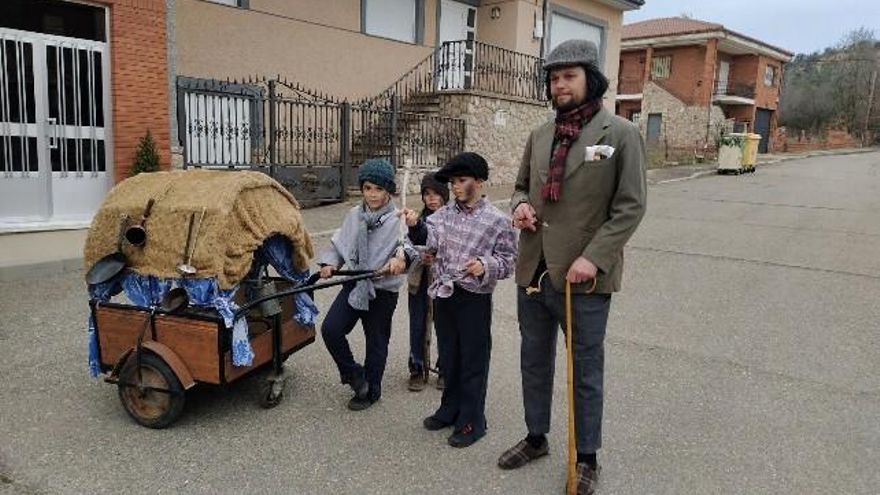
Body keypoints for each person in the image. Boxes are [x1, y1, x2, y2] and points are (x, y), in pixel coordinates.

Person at [496, 39, 647, 495]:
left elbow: (630, 207)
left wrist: (593, 257)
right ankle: (536, 437)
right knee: (534, 362)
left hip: (585, 279)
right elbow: (520, 187)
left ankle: (587, 458)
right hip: (534, 272)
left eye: (569, 76)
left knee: (585, 371)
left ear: (591, 79)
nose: (560, 84)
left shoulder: (619, 134)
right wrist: (520, 207)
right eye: (554, 77)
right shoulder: (540, 136)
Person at [402, 152, 517, 448]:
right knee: (450, 354)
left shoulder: (497, 221)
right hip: (444, 294)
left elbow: (508, 261)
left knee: (473, 359)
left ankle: (472, 419)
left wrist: (485, 264)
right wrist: (416, 225)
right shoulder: (442, 216)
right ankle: (449, 407)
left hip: (474, 298)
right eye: (452, 182)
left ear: (479, 182)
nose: (454, 187)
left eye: (461, 180)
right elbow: (429, 241)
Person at [318, 158, 412, 411]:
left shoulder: (399, 218)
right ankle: (354, 375)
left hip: (382, 289)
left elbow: (410, 248)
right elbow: (340, 243)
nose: (372, 194)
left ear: (388, 191)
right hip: (354, 282)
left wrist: (399, 260)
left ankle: (371, 390)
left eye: (379, 189)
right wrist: (330, 263)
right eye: (368, 188)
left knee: (376, 341)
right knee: (331, 329)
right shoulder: (354, 214)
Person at [406, 173, 449, 392]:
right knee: (417, 322)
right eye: (427, 194)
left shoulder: (453, 219)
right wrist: (418, 256)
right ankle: (416, 367)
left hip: (445, 280)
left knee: (445, 324)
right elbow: (406, 245)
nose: (431, 199)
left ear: (444, 195)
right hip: (420, 278)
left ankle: (445, 368)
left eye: (436, 194)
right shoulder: (415, 220)